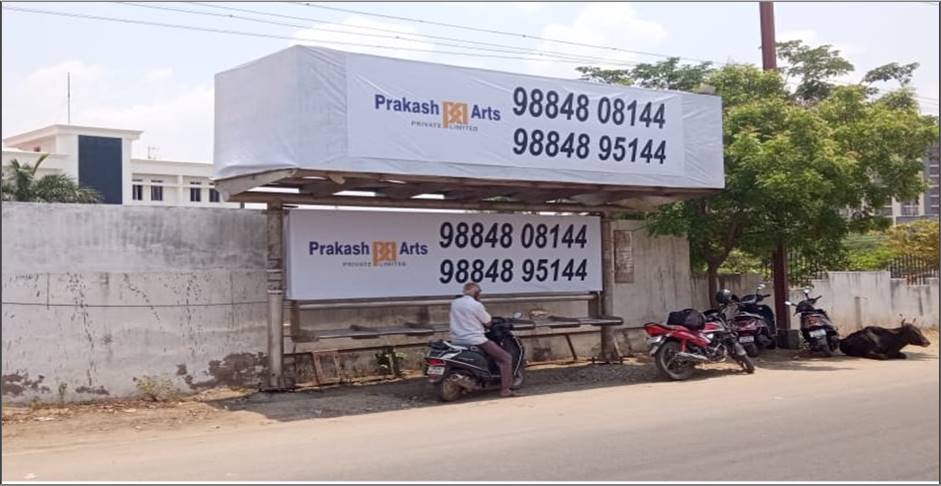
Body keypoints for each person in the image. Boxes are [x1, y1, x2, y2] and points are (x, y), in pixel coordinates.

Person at [449, 282, 515, 397]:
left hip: (457, 339)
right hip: (476, 339)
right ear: (476, 293)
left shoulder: (455, 303)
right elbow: (488, 322)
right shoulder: (476, 305)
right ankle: (505, 390)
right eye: (479, 293)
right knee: (506, 358)